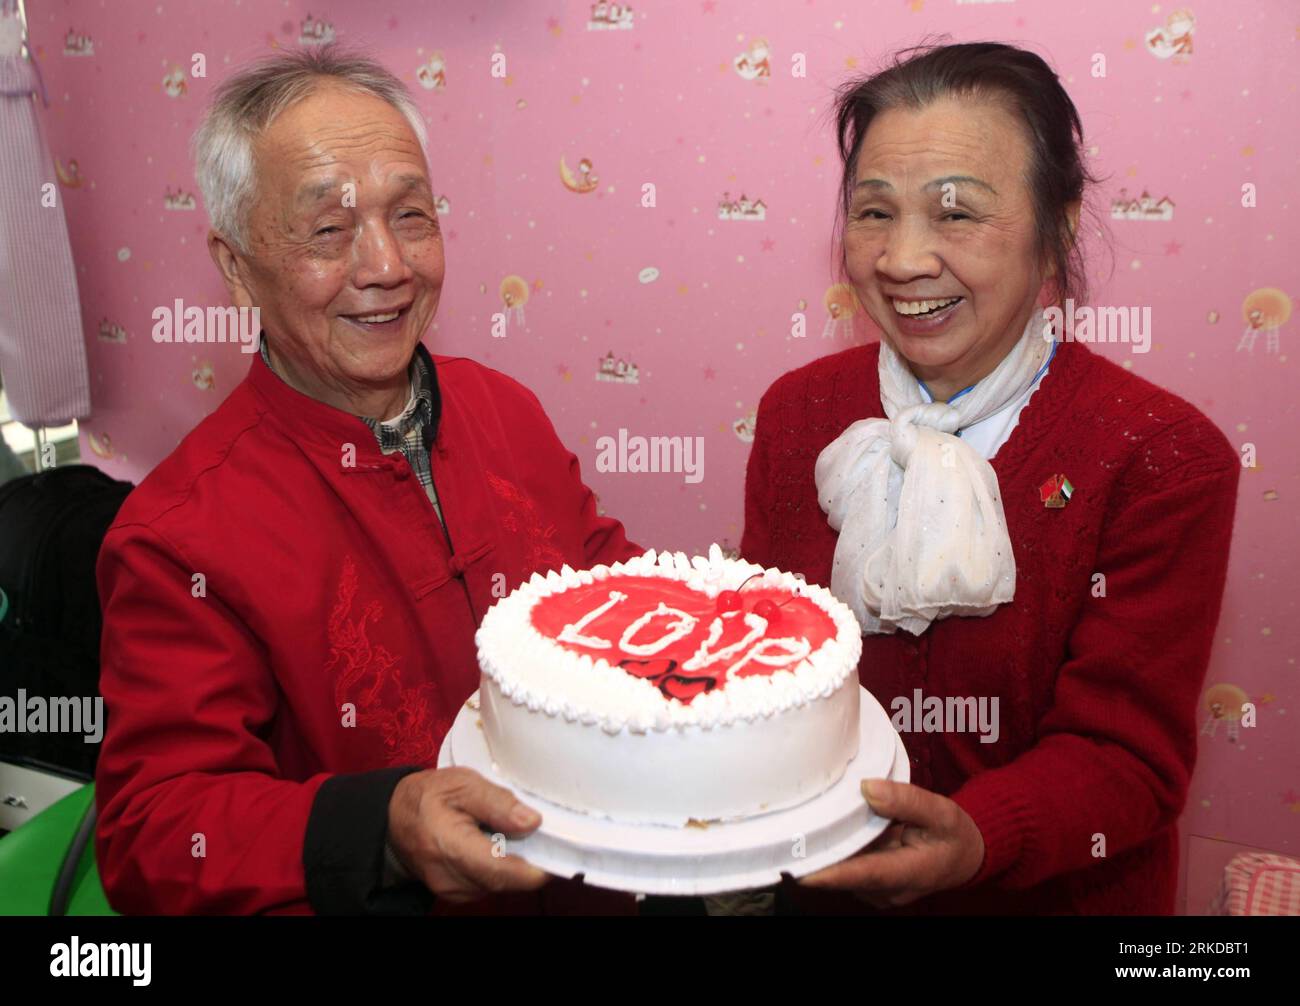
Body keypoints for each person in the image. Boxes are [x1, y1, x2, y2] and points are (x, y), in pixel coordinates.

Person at [94, 46, 641, 915]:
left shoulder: (505, 407)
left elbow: (607, 590)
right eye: (328, 230)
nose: (387, 266)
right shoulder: (177, 535)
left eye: (411, 216)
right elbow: (154, 831)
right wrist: (383, 825)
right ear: (236, 266)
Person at [741, 42, 1239, 914]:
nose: (902, 260)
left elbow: (1128, 760)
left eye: (956, 214)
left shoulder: (1161, 455)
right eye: (874, 213)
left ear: (1061, 223)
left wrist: (979, 838)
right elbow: (771, 665)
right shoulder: (798, 417)